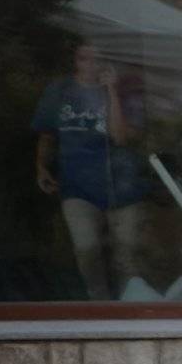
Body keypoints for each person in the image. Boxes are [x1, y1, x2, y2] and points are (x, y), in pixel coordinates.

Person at [32, 38, 148, 299]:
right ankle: (100, 304)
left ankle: (130, 310)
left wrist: (112, 92)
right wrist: (41, 167)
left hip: (122, 187)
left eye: (97, 59)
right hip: (77, 186)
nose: (91, 65)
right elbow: (47, 135)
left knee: (126, 256)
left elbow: (120, 137)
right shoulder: (60, 92)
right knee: (86, 248)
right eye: (85, 58)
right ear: (75, 61)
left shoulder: (125, 90)